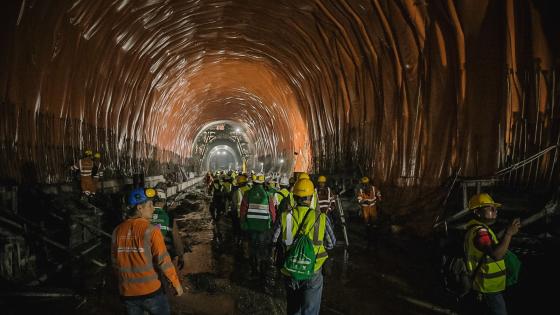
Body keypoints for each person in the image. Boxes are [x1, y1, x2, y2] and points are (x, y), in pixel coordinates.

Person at [111, 188, 183, 315]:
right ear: (139, 208)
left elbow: (115, 263)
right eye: (150, 205)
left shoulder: (117, 230)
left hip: (128, 293)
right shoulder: (151, 230)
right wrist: (176, 283)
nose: (153, 208)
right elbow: (163, 261)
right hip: (150, 292)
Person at [272, 178, 336, 315]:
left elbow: (274, 238)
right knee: (310, 309)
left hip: (291, 268)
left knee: (293, 307)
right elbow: (331, 243)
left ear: (294, 196)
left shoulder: (285, 217)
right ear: (311, 197)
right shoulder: (321, 218)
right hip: (313, 268)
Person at [463, 193, 520, 315]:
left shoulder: (477, 229)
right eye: (489, 208)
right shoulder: (480, 232)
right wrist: (509, 234)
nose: (495, 211)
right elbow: (496, 254)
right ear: (477, 212)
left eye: (495, 208)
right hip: (488, 288)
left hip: (485, 285)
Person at [240, 173, 276, 282]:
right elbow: (272, 212)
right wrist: (271, 224)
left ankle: (254, 270)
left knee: (253, 249)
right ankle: (263, 272)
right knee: (263, 249)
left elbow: (243, 211)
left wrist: (243, 223)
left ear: (253, 182)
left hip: (251, 227)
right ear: (263, 182)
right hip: (264, 228)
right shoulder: (267, 194)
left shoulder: (247, 194)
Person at [150, 189, 185, 273]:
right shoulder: (169, 216)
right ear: (163, 201)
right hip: (164, 253)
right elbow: (176, 238)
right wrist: (181, 255)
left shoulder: (143, 215)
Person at [356, 176, 382, 249]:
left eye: (366, 184)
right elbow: (359, 200)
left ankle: (375, 237)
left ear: (369, 183)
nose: (365, 185)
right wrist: (364, 201)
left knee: (374, 222)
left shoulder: (373, 188)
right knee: (367, 223)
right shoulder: (361, 190)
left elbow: (379, 194)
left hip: (373, 207)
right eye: (363, 184)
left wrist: (379, 200)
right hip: (365, 208)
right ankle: (368, 237)